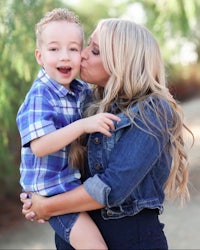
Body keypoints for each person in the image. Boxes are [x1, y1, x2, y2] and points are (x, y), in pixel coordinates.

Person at [21, 18, 193, 250]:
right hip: (75, 237)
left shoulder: (153, 109)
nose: (81, 55)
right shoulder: (86, 101)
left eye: (94, 50)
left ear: (121, 62)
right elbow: (49, 157)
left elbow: (112, 186)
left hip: (131, 242)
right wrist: (36, 195)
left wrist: (47, 207)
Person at [16, 8, 121, 250]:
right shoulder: (40, 95)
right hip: (51, 192)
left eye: (73, 49)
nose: (65, 57)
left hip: (70, 185)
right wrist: (83, 125)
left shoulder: (80, 88)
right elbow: (41, 146)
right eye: (54, 49)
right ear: (40, 56)